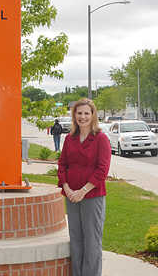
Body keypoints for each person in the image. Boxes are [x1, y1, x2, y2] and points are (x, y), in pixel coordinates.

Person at [58, 98, 111, 276]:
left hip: (92, 196)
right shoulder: (69, 138)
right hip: (71, 196)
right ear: (74, 115)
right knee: (77, 240)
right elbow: (62, 164)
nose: (83, 117)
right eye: (79, 113)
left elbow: (102, 170)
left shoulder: (101, 139)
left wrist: (82, 191)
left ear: (93, 115)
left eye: (86, 113)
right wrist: (67, 188)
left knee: (92, 241)